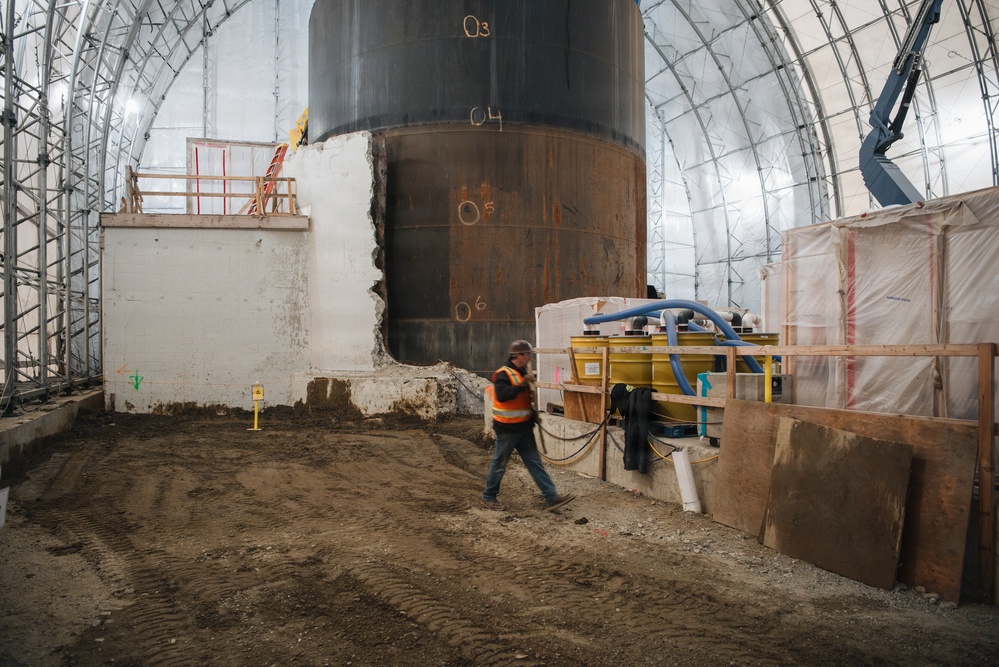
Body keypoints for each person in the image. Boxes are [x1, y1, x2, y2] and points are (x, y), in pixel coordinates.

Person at [481, 340, 576, 512]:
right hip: (507, 429)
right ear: (519, 355)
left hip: (523, 428)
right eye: (528, 354)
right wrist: (522, 385)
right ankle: (488, 496)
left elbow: (521, 400)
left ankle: (551, 497)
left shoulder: (521, 372)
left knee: (534, 463)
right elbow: (502, 396)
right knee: (499, 463)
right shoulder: (503, 374)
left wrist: (532, 414)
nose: (530, 357)